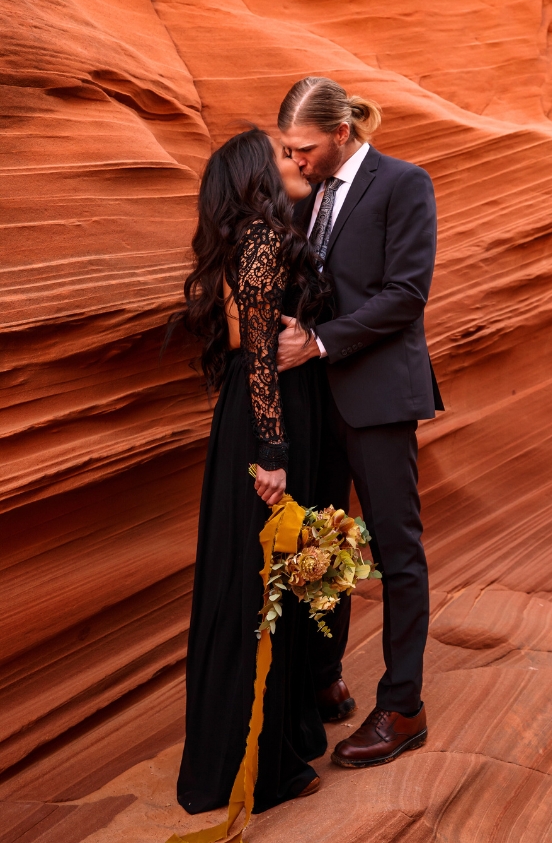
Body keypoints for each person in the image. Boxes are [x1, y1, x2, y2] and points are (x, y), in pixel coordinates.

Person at [276, 77, 444, 768]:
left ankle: (404, 705)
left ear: (341, 134)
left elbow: (407, 294)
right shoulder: (304, 191)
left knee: (396, 552)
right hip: (314, 400)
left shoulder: (404, 183)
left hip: (376, 395)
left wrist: (317, 341)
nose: (295, 159)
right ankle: (323, 675)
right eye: (288, 147)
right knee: (324, 541)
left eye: (304, 147)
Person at [173, 128, 332, 814]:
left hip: (257, 411)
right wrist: (272, 453)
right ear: (254, 175)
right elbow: (262, 350)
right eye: (282, 154)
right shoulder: (264, 237)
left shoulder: (256, 236)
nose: (297, 160)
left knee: (257, 580)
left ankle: (266, 740)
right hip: (266, 419)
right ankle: (259, 767)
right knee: (260, 584)